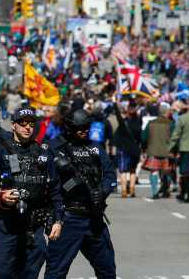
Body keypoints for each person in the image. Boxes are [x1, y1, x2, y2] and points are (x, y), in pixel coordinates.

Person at [0, 107, 64, 279]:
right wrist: (0, 195)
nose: (27, 127)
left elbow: (55, 189)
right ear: (13, 125)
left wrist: (58, 220)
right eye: (22, 123)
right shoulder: (0, 150)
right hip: (6, 225)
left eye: (31, 124)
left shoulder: (43, 152)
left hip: (34, 226)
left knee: (29, 273)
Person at [45, 109, 117, 278]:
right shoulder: (54, 148)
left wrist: (103, 191)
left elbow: (110, 175)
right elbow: (48, 182)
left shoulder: (95, 148)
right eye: (80, 127)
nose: (84, 130)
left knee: (107, 269)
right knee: (56, 271)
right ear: (69, 127)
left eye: (87, 127)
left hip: (94, 216)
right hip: (68, 217)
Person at [142, 104, 173, 199]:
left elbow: (144, 137)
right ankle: (166, 190)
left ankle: (155, 192)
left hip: (153, 151)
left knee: (154, 171)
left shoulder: (151, 123)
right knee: (167, 171)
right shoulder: (171, 124)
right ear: (166, 113)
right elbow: (174, 138)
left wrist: (144, 148)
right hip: (167, 151)